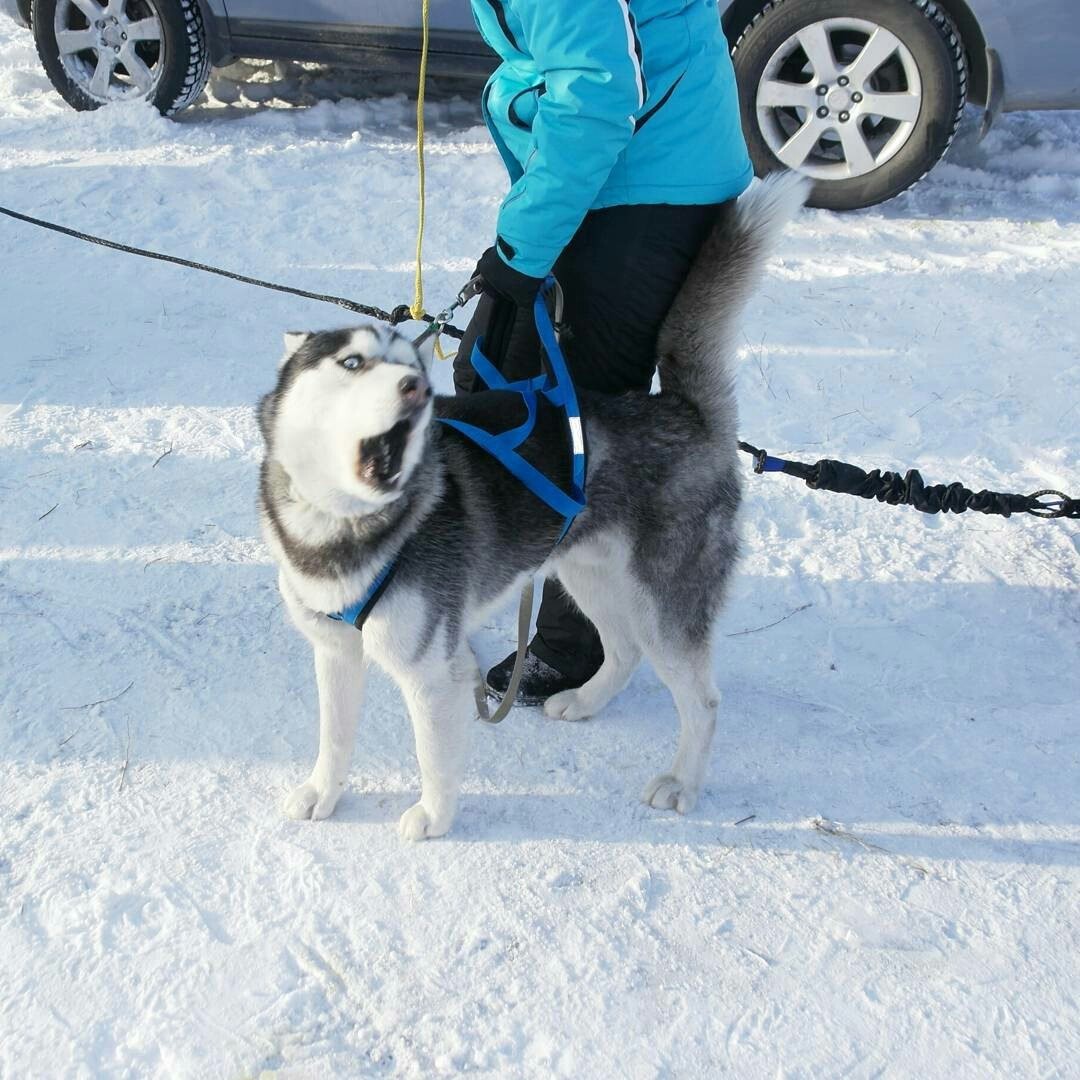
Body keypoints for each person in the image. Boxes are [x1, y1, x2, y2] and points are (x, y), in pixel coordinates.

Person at [458, 0, 752, 705]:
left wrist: (522, 249)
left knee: (575, 421)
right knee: (488, 378)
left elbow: (597, 92)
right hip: (624, 162)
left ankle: (577, 643)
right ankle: (468, 588)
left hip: (648, 175)